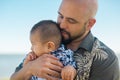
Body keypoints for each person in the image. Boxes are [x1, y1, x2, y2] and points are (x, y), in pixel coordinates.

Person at [10, 0, 119, 80]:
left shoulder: (105, 59)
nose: (61, 25)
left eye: (71, 21)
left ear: (90, 24)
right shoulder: (48, 37)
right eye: (61, 16)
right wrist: (29, 68)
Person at [13, 20, 77, 80]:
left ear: (49, 46)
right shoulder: (33, 58)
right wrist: (26, 66)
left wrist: (70, 69)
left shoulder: (63, 54)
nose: (31, 48)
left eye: (33, 44)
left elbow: (72, 65)